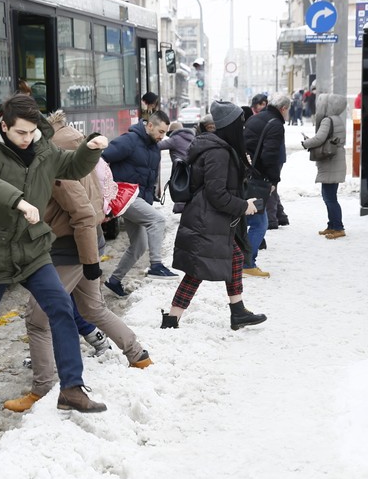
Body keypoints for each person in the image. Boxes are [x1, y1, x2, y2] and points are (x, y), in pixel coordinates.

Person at [0, 93, 109, 413]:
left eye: (32, 133)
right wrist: (17, 200)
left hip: (32, 249)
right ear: (3, 127)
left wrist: (89, 149)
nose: (28, 139)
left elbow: (70, 166)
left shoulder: (40, 148)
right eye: (21, 133)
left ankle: (72, 388)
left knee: (60, 306)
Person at [3, 111, 152, 413]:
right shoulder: (72, 143)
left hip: (69, 247)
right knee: (92, 308)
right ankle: (139, 356)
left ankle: (42, 389)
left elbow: (82, 213)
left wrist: (89, 262)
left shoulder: (54, 160)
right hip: (83, 242)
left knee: (37, 316)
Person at [162, 101, 267, 330]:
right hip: (206, 219)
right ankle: (172, 320)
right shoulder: (219, 153)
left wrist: (244, 166)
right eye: (240, 123)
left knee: (233, 258)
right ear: (230, 125)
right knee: (196, 271)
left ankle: (237, 311)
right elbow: (217, 194)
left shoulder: (219, 148)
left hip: (209, 218)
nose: (243, 128)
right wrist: (243, 206)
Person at [102, 110, 177, 297]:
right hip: (123, 196)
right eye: (160, 132)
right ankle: (156, 265)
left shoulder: (153, 146)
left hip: (139, 198)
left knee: (139, 245)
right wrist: (108, 190)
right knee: (158, 221)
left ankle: (114, 281)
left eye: (165, 133)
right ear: (149, 125)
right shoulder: (129, 140)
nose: (162, 137)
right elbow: (102, 158)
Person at [242, 93, 290, 277]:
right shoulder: (276, 125)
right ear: (283, 108)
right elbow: (270, 156)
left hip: (246, 174)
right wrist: (272, 181)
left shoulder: (257, 118)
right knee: (259, 223)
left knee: (246, 218)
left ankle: (239, 258)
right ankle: (247, 263)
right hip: (258, 178)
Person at [302, 93, 348, 240]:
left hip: (331, 161)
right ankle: (332, 225)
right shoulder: (337, 119)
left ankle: (338, 227)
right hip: (336, 159)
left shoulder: (327, 120)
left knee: (329, 197)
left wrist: (306, 143)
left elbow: (319, 138)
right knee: (329, 195)